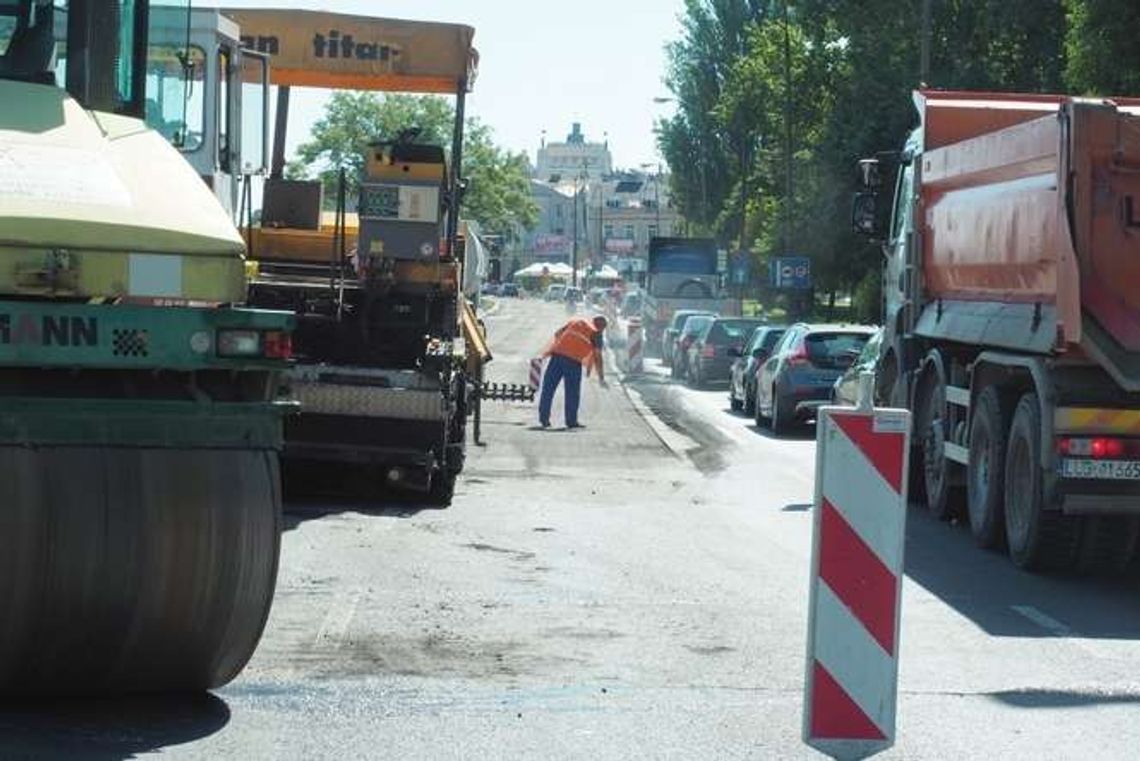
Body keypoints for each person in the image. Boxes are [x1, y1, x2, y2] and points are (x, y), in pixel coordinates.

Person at [538, 315, 608, 429]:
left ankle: (543, 419)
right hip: (573, 362)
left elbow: (557, 333)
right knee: (572, 392)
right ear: (601, 327)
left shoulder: (575, 322)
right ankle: (571, 421)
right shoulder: (596, 333)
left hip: (557, 356)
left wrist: (562, 346)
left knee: (548, 388)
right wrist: (601, 377)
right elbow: (598, 356)